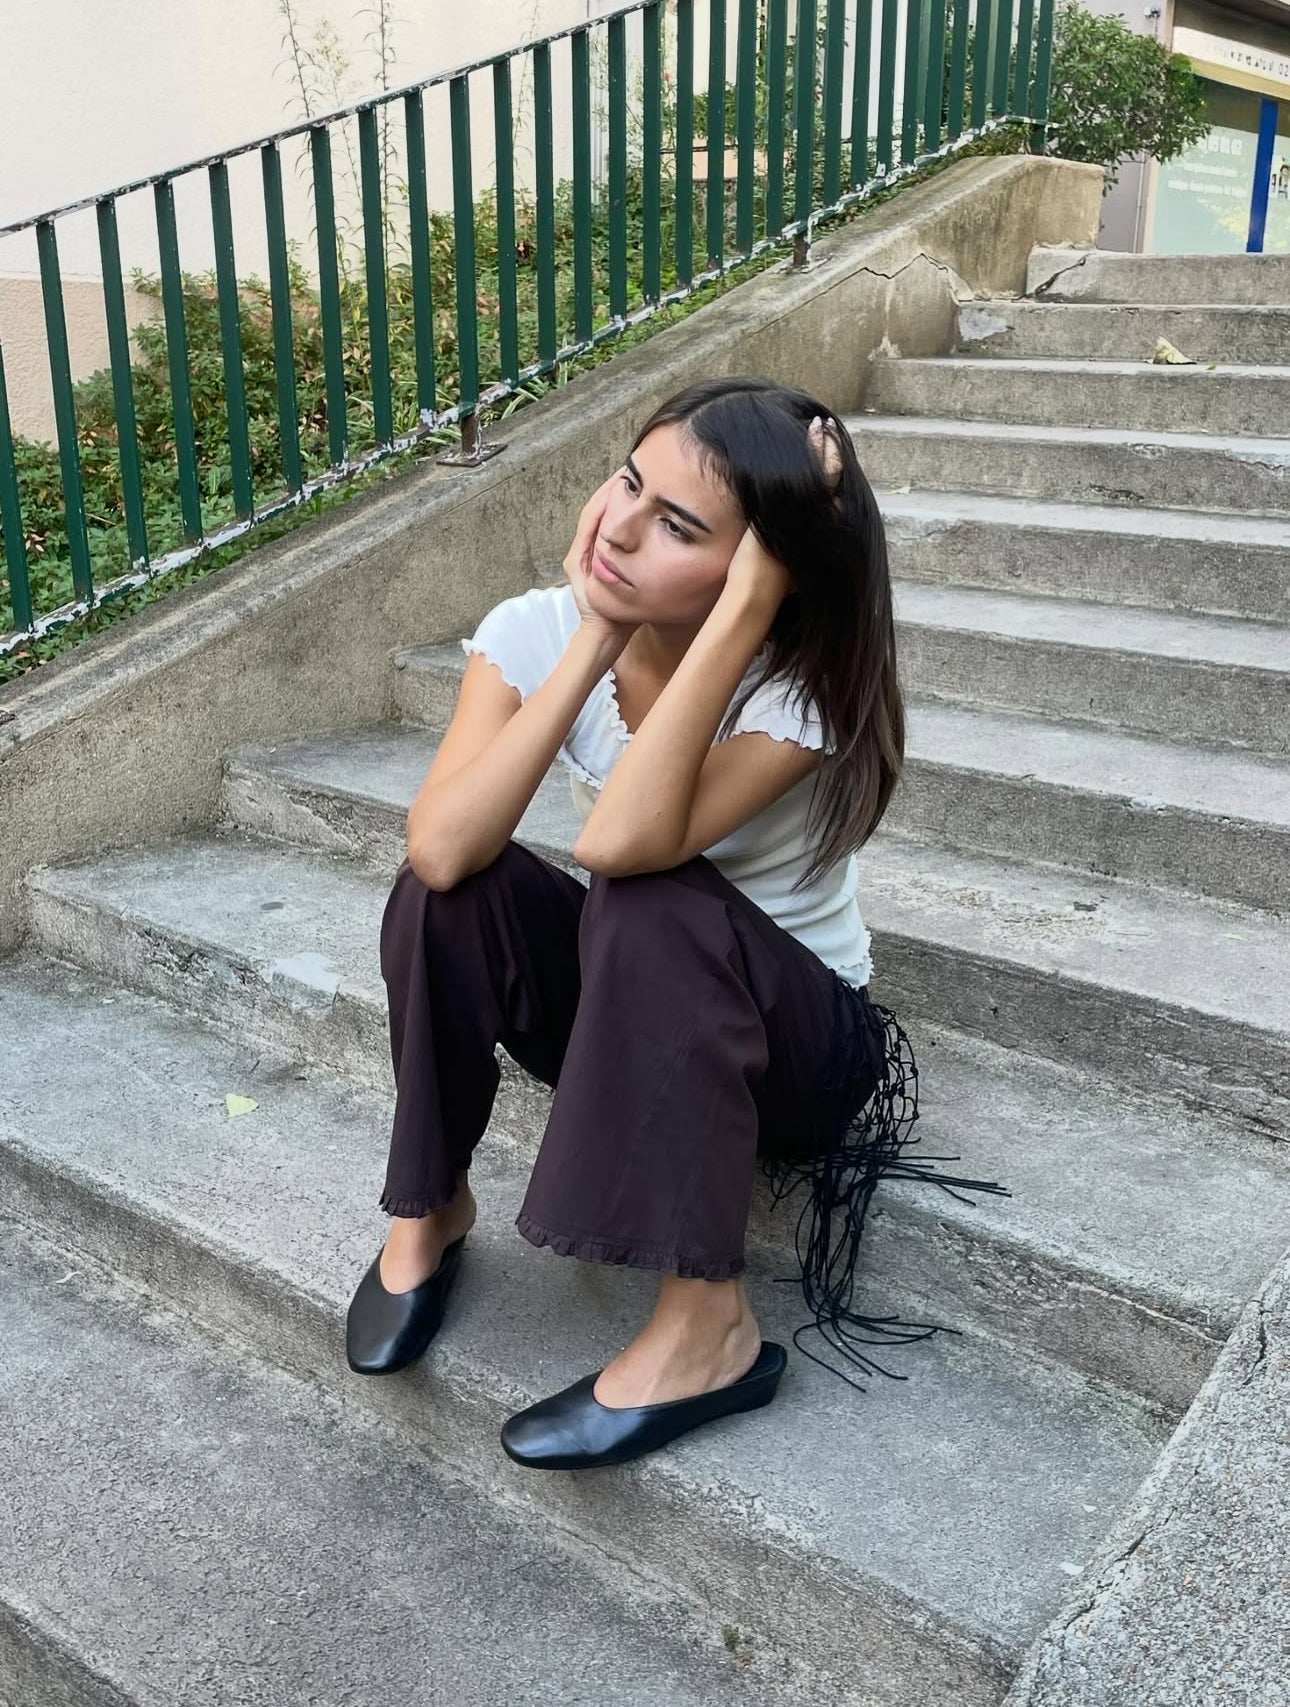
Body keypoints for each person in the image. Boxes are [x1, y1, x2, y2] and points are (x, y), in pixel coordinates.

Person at [345, 376, 1004, 1471]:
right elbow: (443, 849)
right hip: (643, 1014)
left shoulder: (801, 689)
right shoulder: (533, 627)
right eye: (628, 483)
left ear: (765, 568)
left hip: (794, 1048)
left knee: (648, 893)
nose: (620, 530)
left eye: (679, 527)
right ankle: (430, 1205)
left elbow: (626, 847)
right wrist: (595, 640)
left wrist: (744, 610)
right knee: (453, 892)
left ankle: (710, 1328)